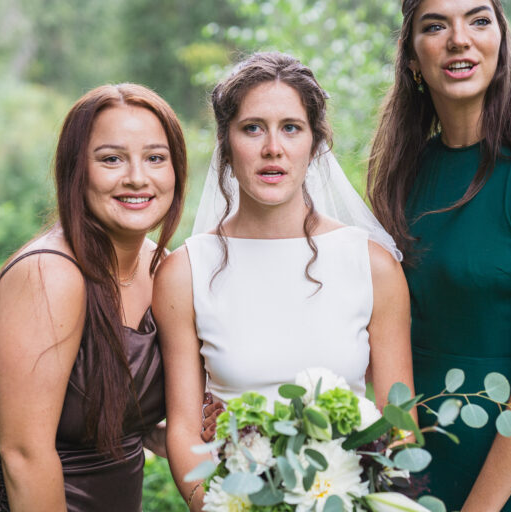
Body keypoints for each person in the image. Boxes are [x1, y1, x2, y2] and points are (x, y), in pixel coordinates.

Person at [366, 1, 511, 510]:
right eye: (436, 26)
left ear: (501, 40)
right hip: (414, 469)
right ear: (412, 57)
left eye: (478, 20)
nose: (460, 39)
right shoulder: (402, 174)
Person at [153, 52, 414, 511]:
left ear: (315, 143)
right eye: (253, 128)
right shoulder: (185, 271)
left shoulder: (372, 265)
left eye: (291, 128)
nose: (273, 147)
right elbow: (184, 429)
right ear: (226, 143)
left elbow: (400, 421)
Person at [0, 83, 187, 511]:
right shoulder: (48, 274)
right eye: (111, 159)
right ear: (76, 170)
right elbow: (24, 456)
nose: (137, 176)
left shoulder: (163, 269)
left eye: (155, 158)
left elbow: (108, 420)